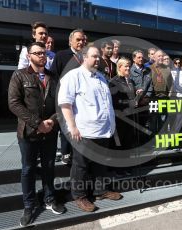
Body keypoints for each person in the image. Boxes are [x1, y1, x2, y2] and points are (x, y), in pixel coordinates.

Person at [58, 46, 122, 213]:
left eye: (99, 57)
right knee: (81, 166)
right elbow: (65, 104)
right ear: (84, 57)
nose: (97, 60)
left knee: (101, 163)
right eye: (94, 56)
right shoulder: (73, 76)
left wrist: (111, 126)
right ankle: (79, 195)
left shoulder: (101, 77)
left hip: (104, 130)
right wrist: (72, 127)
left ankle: (100, 191)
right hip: (84, 131)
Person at [8, 42, 65, 226]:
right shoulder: (19, 75)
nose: (42, 55)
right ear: (29, 55)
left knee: (49, 167)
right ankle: (29, 206)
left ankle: (49, 199)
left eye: (44, 53)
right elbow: (14, 103)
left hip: (49, 131)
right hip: (28, 132)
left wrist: (52, 121)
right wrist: (38, 123)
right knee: (28, 169)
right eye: (37, 53)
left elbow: (62, 103)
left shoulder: (54, 78)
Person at [50, 29, 86, 165]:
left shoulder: (86, 57)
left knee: (80, 126)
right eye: (78, 39)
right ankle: (66, 153)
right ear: (70, 41)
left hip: (83, 100)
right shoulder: (61, 55)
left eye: (83, 39)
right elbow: (54, 77)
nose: (81, 42)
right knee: (67, 125)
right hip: (66, 99)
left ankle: (79, 152)